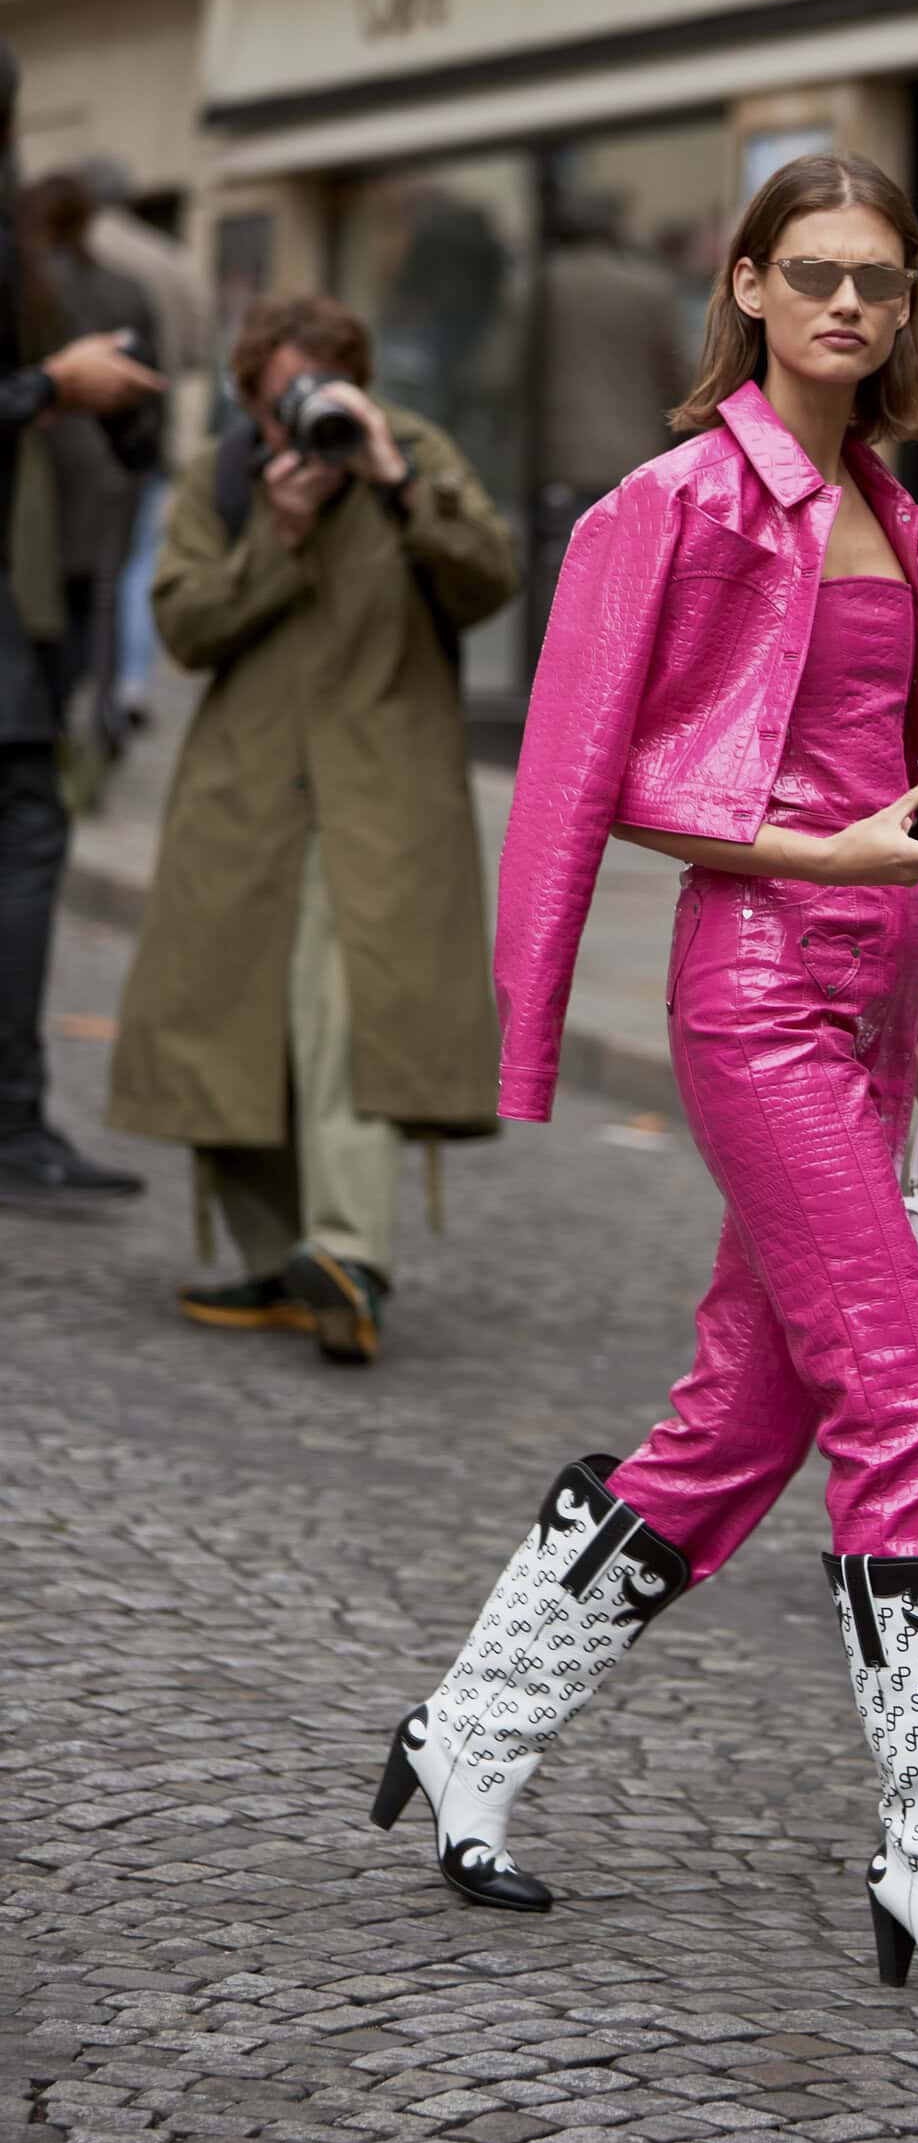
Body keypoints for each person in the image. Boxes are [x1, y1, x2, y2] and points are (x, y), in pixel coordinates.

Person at [370, 152, 918, 2014]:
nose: (849, 304)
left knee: (739, 1429)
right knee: (908, 1409)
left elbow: (885, 778)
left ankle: (468, 1732)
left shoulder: (888, 508)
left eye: (881, 281)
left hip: (862, 1003)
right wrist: (815, 869)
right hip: (753, 997)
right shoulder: (671, 504)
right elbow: (598, 782)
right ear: (748, 287)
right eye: (814, 272)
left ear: (908, 309)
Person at [105, 295, 521, 1355]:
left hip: (383, 795)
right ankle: (273, 1257)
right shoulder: (223, 479)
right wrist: (277, 541)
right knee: (230, 1023)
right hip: (246, 794)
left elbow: (491, 581)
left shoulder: (409, 455)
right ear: (251, 399)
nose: (308, 416)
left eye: (327, 390)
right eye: (285, 396)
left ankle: (348, 1257)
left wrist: (395, 480)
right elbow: (184, 626)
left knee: (349, 1020)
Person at [0, 41, 163, 1208]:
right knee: (28, 830)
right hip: (23, 591)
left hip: (37, 580)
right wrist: (54, 385)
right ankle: (10, 1124)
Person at [25, 171, 163, 761]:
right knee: (104, 598)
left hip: (49, 465)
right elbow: (153, 382)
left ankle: (51, 723)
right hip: (115, 463)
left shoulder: (34, 285)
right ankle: (98, 724)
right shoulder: (128, 288)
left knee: (47, 599)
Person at [78, 156, 211, 730]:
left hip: (73, 430)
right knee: (135, 564)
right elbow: (198, 350)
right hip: (146, 434)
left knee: (81, 560)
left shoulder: (66, 252)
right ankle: (130, 682)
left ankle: (83, 683)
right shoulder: (167, 257)